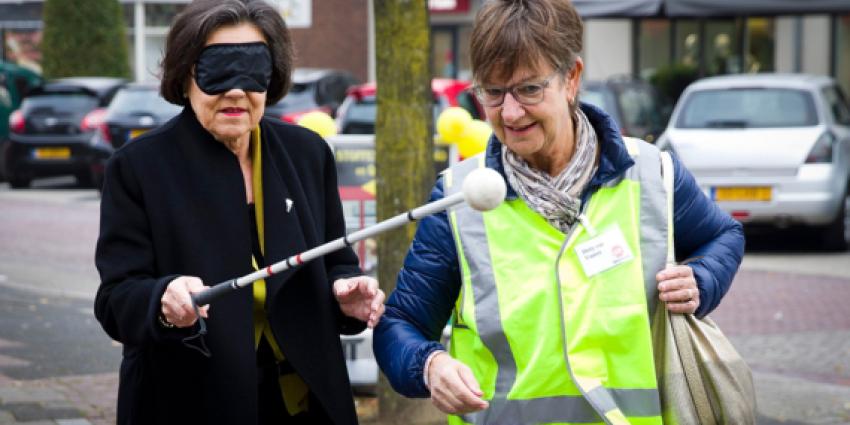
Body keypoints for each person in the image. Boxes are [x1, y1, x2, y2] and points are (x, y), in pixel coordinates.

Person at [372, 0, 744, 424]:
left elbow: (724, 236)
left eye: (529, 89)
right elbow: (399, 325)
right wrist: (429, 365)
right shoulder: (459, 199)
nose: (510, 113)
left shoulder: (652, 174)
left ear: (571, 79)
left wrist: (702, 279)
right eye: (492, 92)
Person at [94, 1, 384, 424]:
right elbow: (116, 300)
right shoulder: (138, 168)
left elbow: (335, 265)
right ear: (185, 76)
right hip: (190, 403)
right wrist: (162, 297)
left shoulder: (306, 155)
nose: (235, 92)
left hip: (303, 402)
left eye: (251, 71)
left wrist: (345, 293)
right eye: (217, 71)